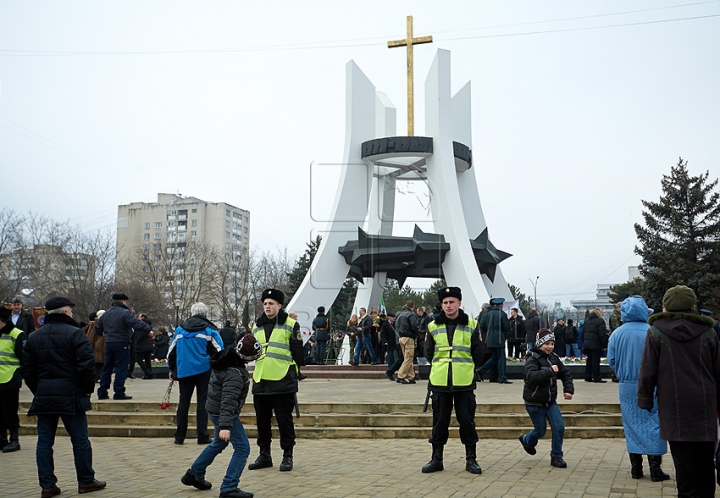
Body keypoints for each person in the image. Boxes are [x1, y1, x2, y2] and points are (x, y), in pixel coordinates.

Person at [638, 285, 720, 497]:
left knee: (683, 461)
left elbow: (647, 370)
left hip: (673, 404)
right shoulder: (709, 332)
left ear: (666, 306)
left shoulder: (655, 332)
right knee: (705, 461)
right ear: (693, 306)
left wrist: (645, 399)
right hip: (705, 404)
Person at [20, 297, 106, 497]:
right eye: (71, 312)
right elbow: (86, 366)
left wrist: (38, 389)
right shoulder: (76, 334)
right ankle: (85, 481)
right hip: (72, 394)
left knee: (44, 441)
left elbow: (27, 369)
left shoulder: (34, 337)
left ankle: (47, 485)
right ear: (66, 313)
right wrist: (87, 389)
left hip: (44, 395)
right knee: (80, 440)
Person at [181, 334, 262, 498]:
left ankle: (194, 474)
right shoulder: (235, 373)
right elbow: (228, 400)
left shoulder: (227, 357)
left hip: (214, 409)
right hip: (224, 413)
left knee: (218, 443)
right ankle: (229, 488)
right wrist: (225, 426)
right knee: (242, 448)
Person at [422, 286, 485, 474]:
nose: (448, 306)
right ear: (441, 305)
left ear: (459, 303)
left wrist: (467, 369)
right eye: (445, 303)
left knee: (466, 421)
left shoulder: (472, 324)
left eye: (451, 302)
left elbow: (478, 352)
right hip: (440, 381)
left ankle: (471, 459)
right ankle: (436, 459)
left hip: (464, 381)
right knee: (439, 422)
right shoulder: (432, 325)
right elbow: (428, 352)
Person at [606, 296, 669, 482]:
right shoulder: (653, 331)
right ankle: (655, 468)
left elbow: (612, 360)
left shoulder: (617, 334)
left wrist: (622, 374)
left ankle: (636, 468)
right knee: (654, 423)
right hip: (652, 384)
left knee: (631, 424)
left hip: (627, 385)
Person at [248, 289, 304, 472]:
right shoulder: (256, 326)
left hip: (282, 379)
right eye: (265, 303)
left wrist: (294, 372)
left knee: (284, 421)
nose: (267, 306)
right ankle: (264, 455)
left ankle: (287, 455)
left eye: (271, 303)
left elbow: (298, 353)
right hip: (261, 379)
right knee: (262, 422)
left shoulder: (291, 324)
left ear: (279, 306)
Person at [169, 302, 224, 445]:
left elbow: (171, 351)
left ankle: (179, 436)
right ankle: (202, 435)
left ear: (192, 312)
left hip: (184, 370)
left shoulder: (180, 329)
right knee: (203, 403)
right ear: (205, 313)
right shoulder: (210, 330)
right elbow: (220, 351)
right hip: (204, 370)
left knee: (183, 403)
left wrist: (171, 369)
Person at [518, 328, 574, 468]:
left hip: (550, 402)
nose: (549, 347)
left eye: (552, 344)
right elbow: (530, 377)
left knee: (559, 427)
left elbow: (565, 374)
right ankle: (527, 441)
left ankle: (556, 456)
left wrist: (568, 390)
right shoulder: (532, 358)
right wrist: (549, 371)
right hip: (534, 402)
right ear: (539, 344)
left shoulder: (553, 358)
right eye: (546, 344)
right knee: (540, 430)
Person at [94, 292, 151, 400]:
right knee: (121, 367)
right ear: (123, 301)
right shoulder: (125, 313)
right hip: (122, 342)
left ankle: (102, 391)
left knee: (107, 367)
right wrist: (147, 328)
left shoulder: (106, 314)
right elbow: (136, 323)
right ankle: (119, 391)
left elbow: (97, 329)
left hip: (109, 343)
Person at [0, 305, 26, 453]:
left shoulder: (16, 334)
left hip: (10, 379)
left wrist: (19, 375)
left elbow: (24, 359)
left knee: (10, 411)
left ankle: (14, 439)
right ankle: (2, 438)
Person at [478, 297, 512, 384]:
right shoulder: (502, 314)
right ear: (500, 305)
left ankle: (480, 370)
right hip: (499, 338)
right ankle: (502, 377)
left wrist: (489, 331)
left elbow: (481, 325)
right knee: (501, 358)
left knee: (494, 357)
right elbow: (507, 327)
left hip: (489, 339)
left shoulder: (487, 314)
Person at [395, 300, 419, 384]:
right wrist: (416, 333)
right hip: (409, 337)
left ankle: (411, 376)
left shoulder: (400, 314)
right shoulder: (411, 314)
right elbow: (414, 326)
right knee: (408, 358)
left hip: (401, 337)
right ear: (413, 306)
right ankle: (400, 376)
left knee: (407, 358)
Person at [581, 308, 608, 383]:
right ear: (598, 313)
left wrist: (585, 342)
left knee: (589, 360)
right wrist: (605, 344)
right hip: (596, 344)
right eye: (602, 312)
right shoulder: (600, 321)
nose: (603, 313)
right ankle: (597, 377)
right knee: (595, 361)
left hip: (587, 344)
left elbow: (583, 333)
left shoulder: (587, 321)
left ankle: (587, 376)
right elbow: (602, 334)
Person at [133, 314, 155, 379]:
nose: (138, 318)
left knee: (138, 359)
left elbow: (141, 334)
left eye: (139, 317)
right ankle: (149, 374)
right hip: (148, 344)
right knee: (147, 359)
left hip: (142, 344)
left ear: (142, 317)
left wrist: (137, 341)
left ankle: (147, 371)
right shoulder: (149, 324)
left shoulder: (142, 325)